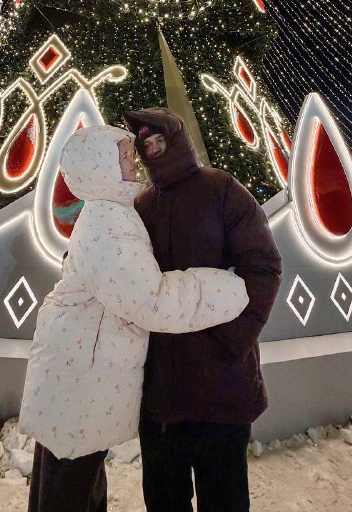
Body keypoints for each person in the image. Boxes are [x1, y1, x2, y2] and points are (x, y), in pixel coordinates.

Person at [19, 124, 251, 512]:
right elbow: (151, 300)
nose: (135, 161)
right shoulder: (108, 221)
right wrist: (229, 288)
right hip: (82, 376)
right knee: (68, 487)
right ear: (100, 167)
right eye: (124, 156)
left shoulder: (114, 212)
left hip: (80, 371)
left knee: (74, 479)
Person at [123, 108, 282, 512]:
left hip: (221, 385)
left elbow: (263, 266)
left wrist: (233, 339)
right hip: (162, 389)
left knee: (224, 498)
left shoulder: (222, 189)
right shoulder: (141, 207)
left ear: (177, 139)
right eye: (146, 145)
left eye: (160, 140)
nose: (154, 150)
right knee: (164, 499)